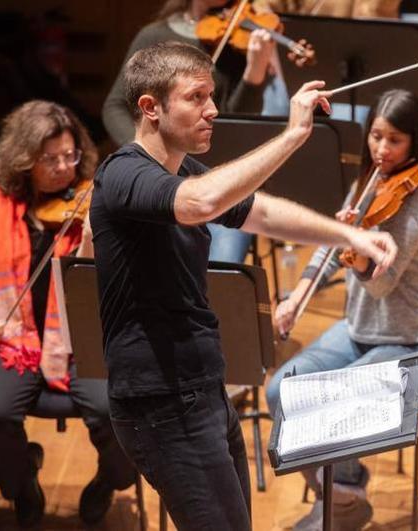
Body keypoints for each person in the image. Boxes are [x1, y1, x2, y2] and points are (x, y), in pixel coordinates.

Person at [89, 41, 397, 530]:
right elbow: (200, 204)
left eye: (212, 96)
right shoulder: (122, 173)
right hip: (160, 403)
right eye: (196, 98)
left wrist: (350, 233)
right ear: (151, 107)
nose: (213, 110)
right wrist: (293, 136)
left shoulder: (180, 168)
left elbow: (262, 210)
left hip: (202, 389)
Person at [0, 100, 134, 527]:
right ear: (24, 161)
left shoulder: (94, 203)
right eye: (51, 160)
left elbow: (132, 279)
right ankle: (23, 482)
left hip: (86, 341)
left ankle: (109, 479)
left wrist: (102, 240)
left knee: (118, 416)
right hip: (18, 342)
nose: (65, 168)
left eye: (71, 156)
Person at [266, 89, 418, 531]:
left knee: (335, 404)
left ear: (415, 143)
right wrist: (296, 296)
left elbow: (383, 285)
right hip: (360, 330)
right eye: (375, 137)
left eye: (394, 141)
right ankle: (342, 490)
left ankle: (342, 500)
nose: (382, 150)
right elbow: (330, 247)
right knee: (281, 391)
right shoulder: (366, 184)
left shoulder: (415, 207)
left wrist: (359, 244)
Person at [102, 0, 279, 263]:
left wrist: (254, 74)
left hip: (216, 175)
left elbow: (232, 119)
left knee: (223, 266)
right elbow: (115, 106)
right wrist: (147, 155)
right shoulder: (154, 35)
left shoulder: (239, 37)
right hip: (158, 178)